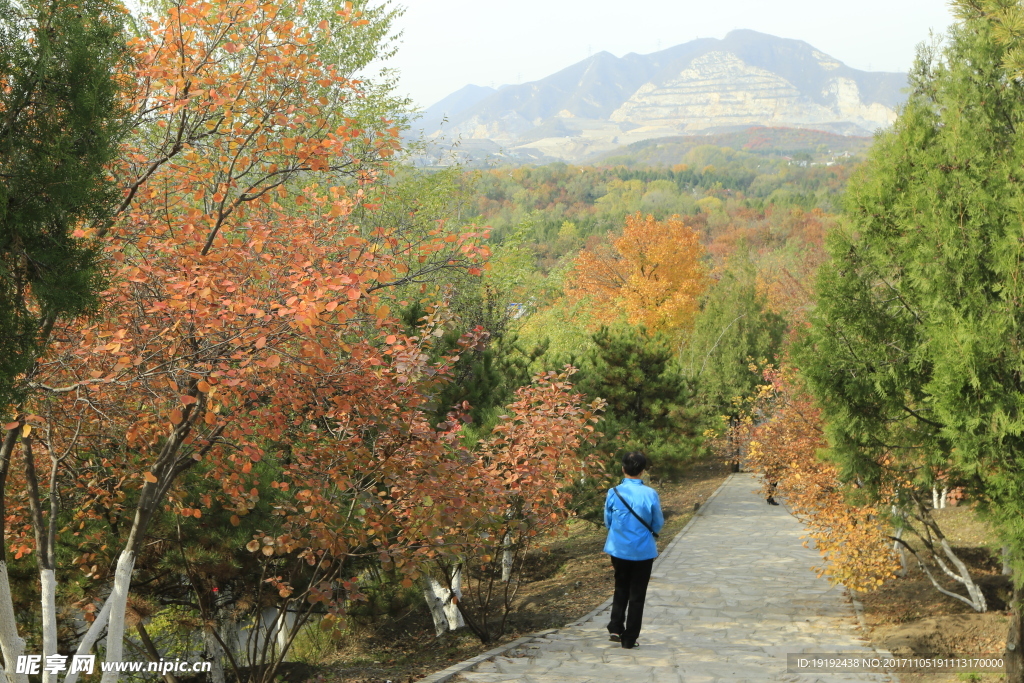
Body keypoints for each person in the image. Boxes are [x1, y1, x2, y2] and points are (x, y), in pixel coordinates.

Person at [603, 451, 664, 649]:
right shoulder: (650, 494)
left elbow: (608, 521)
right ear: (643, 471)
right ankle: (629, 639)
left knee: (621, 586)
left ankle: (615, 626)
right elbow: (658, 523)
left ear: (623, 468)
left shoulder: (614, 492)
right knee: (637, 595)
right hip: (643, 551)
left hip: (619, 549)